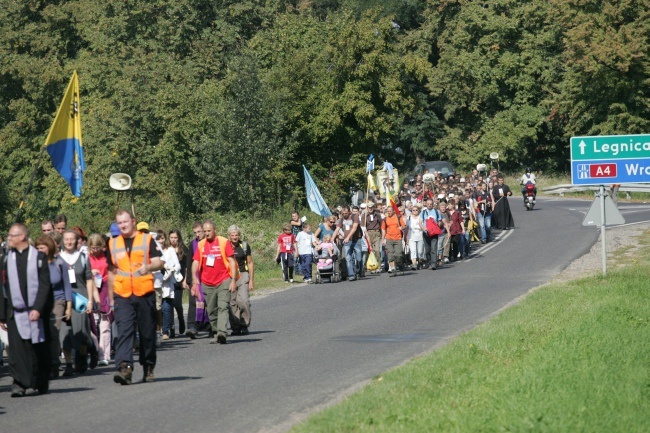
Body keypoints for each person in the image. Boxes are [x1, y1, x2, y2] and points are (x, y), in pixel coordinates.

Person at [108, 209, 165, 385]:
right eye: (120, 223)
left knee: (147, 334)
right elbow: (111, 272)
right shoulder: (113, 243)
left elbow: (160, 262)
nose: (123, 225)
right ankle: (125, 368)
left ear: (133, 221)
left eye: (125, 221)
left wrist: (148, 267)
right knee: (124, 331)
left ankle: (148, 366)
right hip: (122, 294)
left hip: (144, 292)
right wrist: (110, 298)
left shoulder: (146, 239)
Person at [0, 223, 52, 397]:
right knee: (16, 351)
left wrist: (38, 308)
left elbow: (45, 285)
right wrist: (2, 314)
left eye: (11, 235)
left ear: (21, 237)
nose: (9, 238)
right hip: (14, 312)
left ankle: (39, 380)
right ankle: (19, 383)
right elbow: (2, 287)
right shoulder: (7, 259)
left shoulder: (39, 257)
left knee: (36, 349)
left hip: (35, 311)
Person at [191, 220, 237, 345]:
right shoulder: (201, 244)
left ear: (214, 230)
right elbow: (195, 262)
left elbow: (231, 261)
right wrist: (194, 278)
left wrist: (233, 280)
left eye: (208, 231)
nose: (206, 233)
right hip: (207, 282)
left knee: (223, 306)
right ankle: (217, 332)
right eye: (204, 231)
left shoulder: (223, 242)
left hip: (224, 280)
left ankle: (222, 332)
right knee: (211, 310)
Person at [35, 235, 71, 380]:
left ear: (49, 248)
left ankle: (54, 364)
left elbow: (67, 285)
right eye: (37, 248)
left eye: (42, 247)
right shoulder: (34, 264)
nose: (39, 250)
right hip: (40, 302)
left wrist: (69, 306)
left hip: (57, 300)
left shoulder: (59, 263)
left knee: (53, 331)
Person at [87, 233, 112, 366]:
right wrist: (91, 273)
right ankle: (95, 352)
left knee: (104, 324)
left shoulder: (107, 257)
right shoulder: (86, 258)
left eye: (97, 247)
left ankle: (105, 355)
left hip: (105, 289)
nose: (95, 250)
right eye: (92, 248)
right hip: (92, 290)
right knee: (93, 325)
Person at [227, 225, 254, 336]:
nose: (234, 237)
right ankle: (235, 327)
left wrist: (251, 279)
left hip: (242, 275)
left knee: (243, 301)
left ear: (239, 235)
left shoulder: (244, 246)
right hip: (229, 276)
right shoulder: (225, 246)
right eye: (232, 235)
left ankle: (244, 324)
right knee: (232, 303)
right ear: (229, 236)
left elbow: (250, 263)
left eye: (236, 235)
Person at [156, 230, 181, 341]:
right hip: (156, 284)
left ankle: (166, 331)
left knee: (167, 308)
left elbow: (178, 266)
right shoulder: (153, 252)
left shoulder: (170, 250)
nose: (161, 240)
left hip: (168, 285)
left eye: (162, 238)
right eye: (158, 238)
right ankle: (160, 329)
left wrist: (171, 270)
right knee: (158, 309)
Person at [184, 222, 206, 339]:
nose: (197, 234)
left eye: (199, 232)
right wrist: (189, 280)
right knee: (193, 301)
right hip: (195, 276)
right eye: (195, 232)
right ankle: (192, 326)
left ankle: (208, 324)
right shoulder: (193, 244)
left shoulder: (210, 243)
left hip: (208, 276)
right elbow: (189, 263)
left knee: (206, 302)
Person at [335, 205, 363, 281]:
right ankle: (351, 275)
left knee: (359, 258)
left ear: (350, 212)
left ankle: (358, 271)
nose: (344, 215)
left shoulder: (355, 217)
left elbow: (354, 228)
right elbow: (337, 229)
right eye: (343, 213)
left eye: (346, 213)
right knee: (348, 258)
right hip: (347, 242)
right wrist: (331, 239)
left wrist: (348, 237)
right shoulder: (342, 219)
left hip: (356, 240)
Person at [169, 229, 188, 337]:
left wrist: (185, 280)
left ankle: (181, 318)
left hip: (179, 281)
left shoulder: (183, 250)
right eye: (171, 237)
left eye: (175, 237)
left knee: (177, 304)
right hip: (168, 281)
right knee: (168, 306)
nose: (173, 240)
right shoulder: (167, 249)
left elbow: (186, 267)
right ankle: (171, 328)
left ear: (179, 238)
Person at [381, 205, 406, 276]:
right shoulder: (385, 219)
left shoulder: (398, 217)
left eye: (390, 211)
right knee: (390, 255)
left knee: (399, 255)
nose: (389, 212)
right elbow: (383, 230)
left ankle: (400, 266)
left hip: (398, 238)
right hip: (389, 238)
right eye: (388, 211)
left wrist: (402, 227)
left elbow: (404, 225)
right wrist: (383, 239)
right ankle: (393, 270)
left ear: (393, 211)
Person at [361, 201, 382, 274]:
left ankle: (378, 266)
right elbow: (362, 225)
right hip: (368, 233)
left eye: (371, 207)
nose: (370, 208)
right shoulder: (364, 215)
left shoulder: (377, 215)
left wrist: (381, 234)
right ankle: (371, 266)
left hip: (376, 233)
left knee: (377, 250)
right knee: (369, 251)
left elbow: (381, 224)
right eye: (369, 207)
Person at [421, 199, 441, 270]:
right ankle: (429, 262)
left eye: (431, 204)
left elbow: (439, 221)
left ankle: (434, 264)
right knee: (427, 250)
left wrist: (437, 227)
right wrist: (423, 228)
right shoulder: (423, 212)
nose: (429, 205)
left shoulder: (436, 211)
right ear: (426, 204)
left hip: (434, 233)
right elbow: (420, 222)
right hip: (426, 233)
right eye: (428, 204)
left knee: (433, 248)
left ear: (433, 204)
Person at [407, 205, 426, 270]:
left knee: (420, 252)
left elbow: (423, 226)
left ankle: (420, 262)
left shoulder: (421, 217)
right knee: (413, 251)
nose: (415, 211)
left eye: (416, 210)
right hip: (411, 236)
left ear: (418, 211)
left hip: (420, 235)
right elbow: (407, 228)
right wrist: (406, 237)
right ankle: (414, 264)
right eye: (413, 210)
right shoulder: (409, 218)